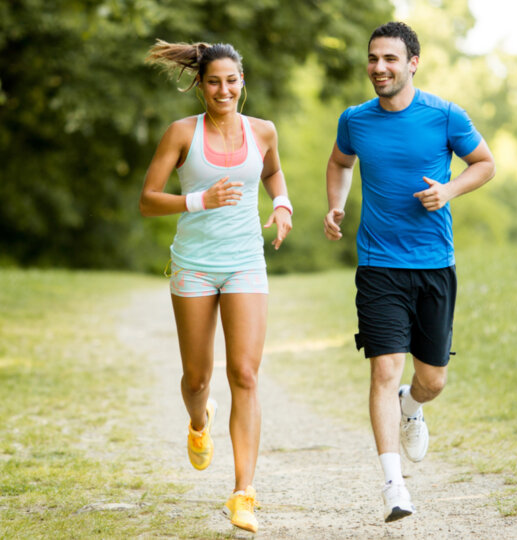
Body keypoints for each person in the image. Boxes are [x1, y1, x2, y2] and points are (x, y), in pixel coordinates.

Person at [324, 22, 495, 523]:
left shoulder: (444, 115)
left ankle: (412, 407)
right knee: (383, 369)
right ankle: (394, 487)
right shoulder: (355, 120)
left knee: (433, 380)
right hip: (378, 266)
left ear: (412, 62)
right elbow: (339, 163)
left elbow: (484, 163)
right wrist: (336, 205)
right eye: (373, 59)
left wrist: (449, 191)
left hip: (434, 265)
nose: (379, 68)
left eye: (390, 59)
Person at [140, 39, 293, 534]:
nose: (223, 89)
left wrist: (283, 203)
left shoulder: (263, 131)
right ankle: (199, 420)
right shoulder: (182, 133)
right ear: (201, 85)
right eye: (213, 81)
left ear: (241, 81)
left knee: (245, 374)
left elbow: (271, 172)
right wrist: (198, 200)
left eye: (231, 80)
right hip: (195, 265)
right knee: (197, 379)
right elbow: (148, 199)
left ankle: (243, 493)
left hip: (246, 261)